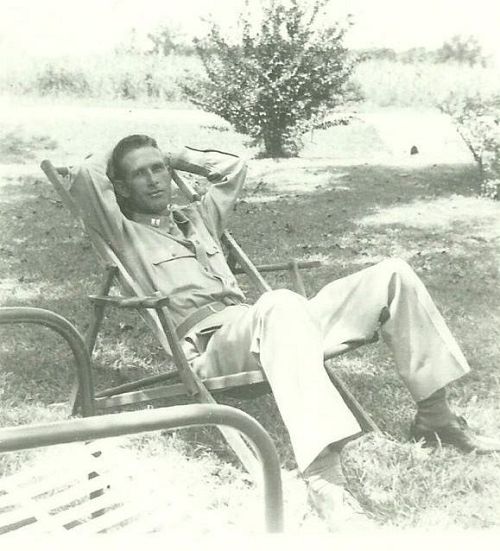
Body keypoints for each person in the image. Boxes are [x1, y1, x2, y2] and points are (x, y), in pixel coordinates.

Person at [70, 134, 500, 531]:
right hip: (213, 345)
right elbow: (85, 176)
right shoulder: (122, 232)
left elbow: (234, 167)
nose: (154, 180)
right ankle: (324, 480)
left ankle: (435, 418)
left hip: (272, 325)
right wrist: (126, 143)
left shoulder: (199, 217)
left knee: (393, 273)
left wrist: (174, 154)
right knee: (281, 303)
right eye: (140, 173)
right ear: (121, 187)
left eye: (159, 169)